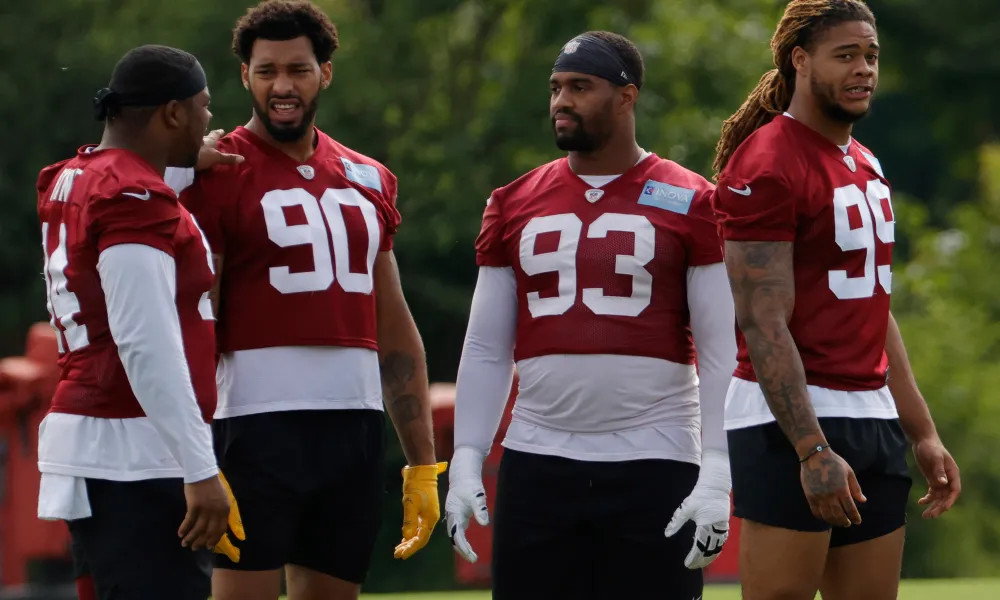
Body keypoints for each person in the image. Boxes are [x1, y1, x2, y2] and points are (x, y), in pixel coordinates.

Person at [444, 31, 737, 600]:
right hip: (539, 456)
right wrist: (466, 456)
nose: (561, 101)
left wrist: (718, 463)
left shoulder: (693, 200)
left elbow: (721, 346)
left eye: (580, 87)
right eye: (555, 88)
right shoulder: (512, 201)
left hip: (656, 456)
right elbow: (485, 347)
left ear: (626, 97)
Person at [172, 2, 445, 599]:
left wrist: (421, 463)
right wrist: (195, 452)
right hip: (252, 427)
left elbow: (396, 336)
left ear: (325, 72)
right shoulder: (214, 173)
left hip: (352, 430)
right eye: (266, 71)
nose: (282, 86)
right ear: (244, 76)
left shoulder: (368, 177)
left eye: (298, 69)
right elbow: (193, 327)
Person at [711, 2, 962, 599]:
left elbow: (875, 309)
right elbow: (762, 320)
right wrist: (811, 447)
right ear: (800, 60)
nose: (864, 69)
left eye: (871, 55)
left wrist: (922, 431)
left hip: (871, 415)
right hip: (790, 422)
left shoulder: (866, 162)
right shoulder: (767, 161)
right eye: (845, 55)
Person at [34, 45, 242, 600]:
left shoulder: (74, 176)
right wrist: (200, 468)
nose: (208, 122)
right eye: (203, 106)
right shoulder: (132, 195)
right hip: (136, 453)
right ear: (171, 112)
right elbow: (143, 341)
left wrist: (184, 164)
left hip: (99, 443)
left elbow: (124, 189)